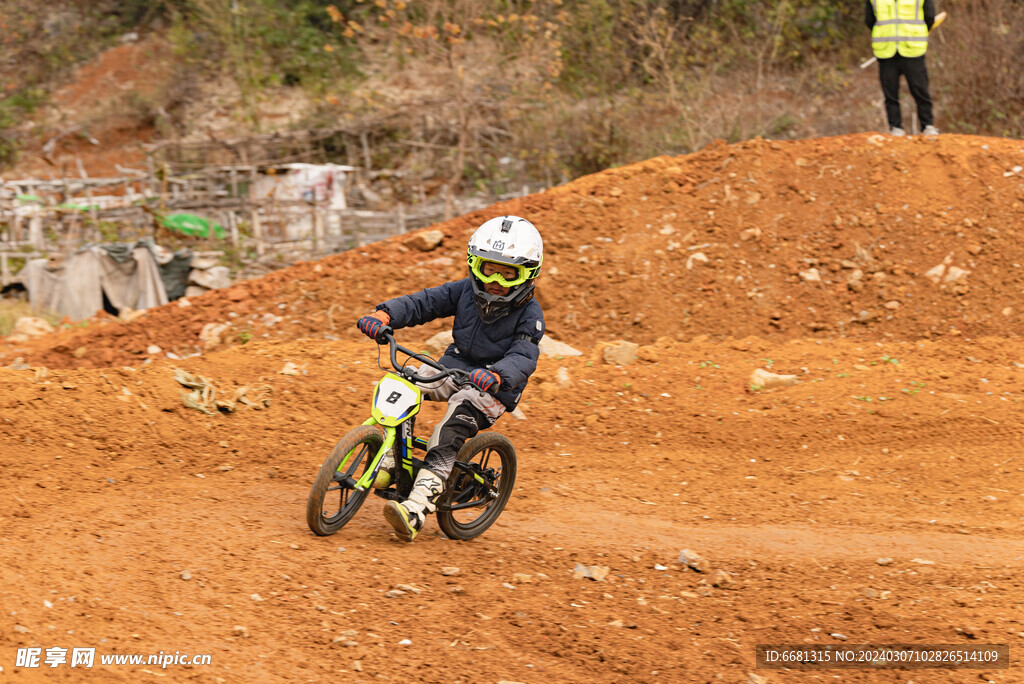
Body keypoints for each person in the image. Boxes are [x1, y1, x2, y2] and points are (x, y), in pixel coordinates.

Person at [357, 215, 545, 542]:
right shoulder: (464, 291)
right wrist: (385, 314)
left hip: (494, 386)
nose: (496, 280)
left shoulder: (530, 314)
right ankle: (389, 459)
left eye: (507, 272)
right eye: (489, 268)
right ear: (475, 265)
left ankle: (416, 507)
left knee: (451, 426)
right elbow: (425, 302)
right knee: (403, 383)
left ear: (527, 274)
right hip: (455, 366)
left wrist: (498, 375)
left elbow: (524, 356)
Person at [866, 0, 940, 137]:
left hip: (912, 48)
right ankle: (896, 127)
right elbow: (869, 20)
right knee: (891, 93)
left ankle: (927, 125)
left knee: (920, 90)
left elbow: (929, 17)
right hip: (886, 50)